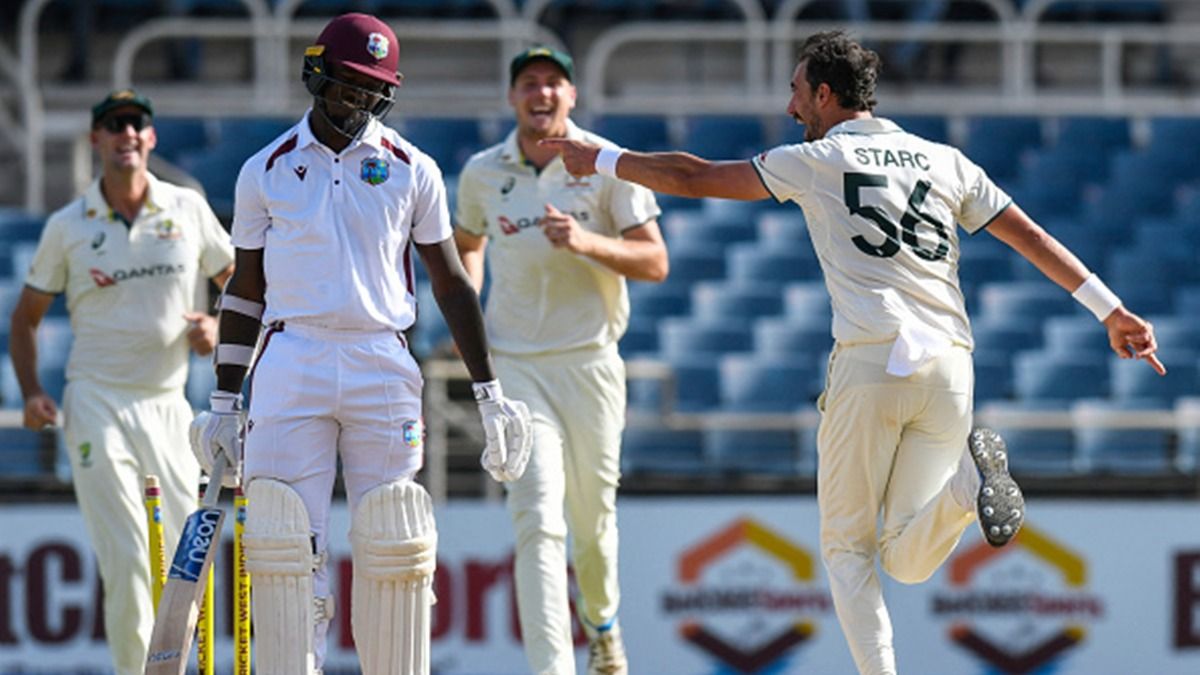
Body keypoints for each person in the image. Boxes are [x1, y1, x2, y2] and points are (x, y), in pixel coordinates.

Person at [544, 31, 1165, 675]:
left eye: (795, 91)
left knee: (847, 549)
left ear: (824, 93)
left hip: (873, 358)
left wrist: (604, 159)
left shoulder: (819, 159)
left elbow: (693, 176)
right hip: (951, 367)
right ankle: (967, 487)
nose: (790, 108)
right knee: (905, 559)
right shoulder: (945, 160)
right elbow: (1030, 236)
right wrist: (1110, 309)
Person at [187, 14, 533, 674]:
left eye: (373, 88)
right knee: (283, 544)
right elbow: (245, 290)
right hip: (292, 359)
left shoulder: (411, 167)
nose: (358, 99)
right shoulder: (266, 169)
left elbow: (451, 281)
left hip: (383, 357)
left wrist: (490, 394)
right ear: (317, 75)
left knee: (394, 540)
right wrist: (225, 401)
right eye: (348, 83)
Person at [454, 46, 668, 675]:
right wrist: (469, 308)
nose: (541, 93)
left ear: (572, 96)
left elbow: (655, 261)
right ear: (512, 97)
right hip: (517, 365)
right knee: (536, 516)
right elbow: (468, 244)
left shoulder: (605, 162)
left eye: (554, 83)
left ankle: (602, 625)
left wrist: (585, 242)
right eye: (529, 83)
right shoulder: (482, 172)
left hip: (590, 361)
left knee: (592, 523)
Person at [8, 89, 234, 675]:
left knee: (185, 561)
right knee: (129, 555)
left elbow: (239, 282)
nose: (126, 133)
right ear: (96, 139)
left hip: (168, 406)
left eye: (136, 123)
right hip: (96, 402)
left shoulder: (187, 208)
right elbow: (24, 318)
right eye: (114, 124)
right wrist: (32, 391)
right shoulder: (68, 225)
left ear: (151, 137)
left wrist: (216, 326)